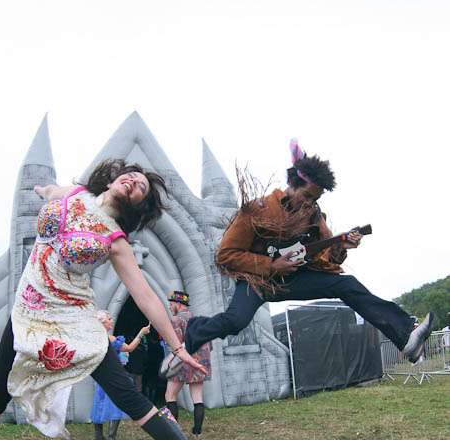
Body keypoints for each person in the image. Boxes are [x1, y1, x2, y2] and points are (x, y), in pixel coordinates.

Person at [0, 160, 228, 440]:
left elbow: (146, 296)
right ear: (113, 180)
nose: (134, 181)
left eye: (141, 188)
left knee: (126, 395)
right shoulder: (75, 194)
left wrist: (177, 346)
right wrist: (43, 189)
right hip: (30, 310)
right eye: (131, 176)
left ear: (137, 206)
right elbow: (50, 192)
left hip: (74, 320)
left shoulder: (116, 240)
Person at [162, 139, 434, 378]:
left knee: (346, 284)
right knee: (235, 321)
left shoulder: (313, 215)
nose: (309, 204)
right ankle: (193, 334)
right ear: (292, 184)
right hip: (257, 282)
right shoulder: (257, 210)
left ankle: (405, 335)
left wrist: (343, 246)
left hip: (292, 280)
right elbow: (225, 255)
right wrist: (271, 265)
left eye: (315, 199)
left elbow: (329, 261)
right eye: (306, 196)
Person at [91, 310, 150, 440]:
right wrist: (141, 333)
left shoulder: (94, 338)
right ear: (102, 323)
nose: (111, 321)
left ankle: (99, 437)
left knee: (99, 402)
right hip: (112, 375)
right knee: (114, 404)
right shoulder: (110, 339)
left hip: (100, 374)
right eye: (109, 319)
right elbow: (129, 348)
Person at [164, 291, 211, 440]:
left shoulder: (176, 320)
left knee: (170, 395)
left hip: (182, 362)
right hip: (201, 362)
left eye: (171, 304)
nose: (170, 307)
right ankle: (197, 435)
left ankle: (175, 437)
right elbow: (209, 345)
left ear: (178, 304)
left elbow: (175, 345)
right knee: (197, 398)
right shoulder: (199, 320)